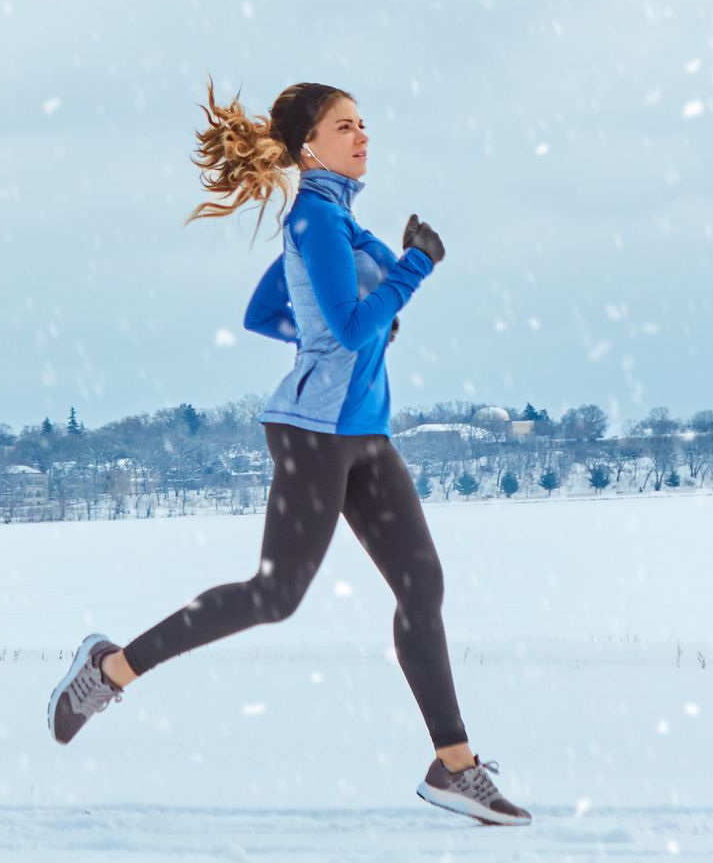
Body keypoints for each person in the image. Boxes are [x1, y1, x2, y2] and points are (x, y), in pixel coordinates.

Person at [48, 78, 530, 821]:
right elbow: (345, 326)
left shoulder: (339, 220)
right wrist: (414, 270)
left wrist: (352, 318)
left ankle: (453, 765)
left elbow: (268, 313)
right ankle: (108, 670)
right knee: (273, 597)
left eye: (365, 123)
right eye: (346, 126)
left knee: (421, 585)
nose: (364, 135)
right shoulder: (314, 219)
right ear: (310, 146)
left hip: (363, 431)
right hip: (313, 435)